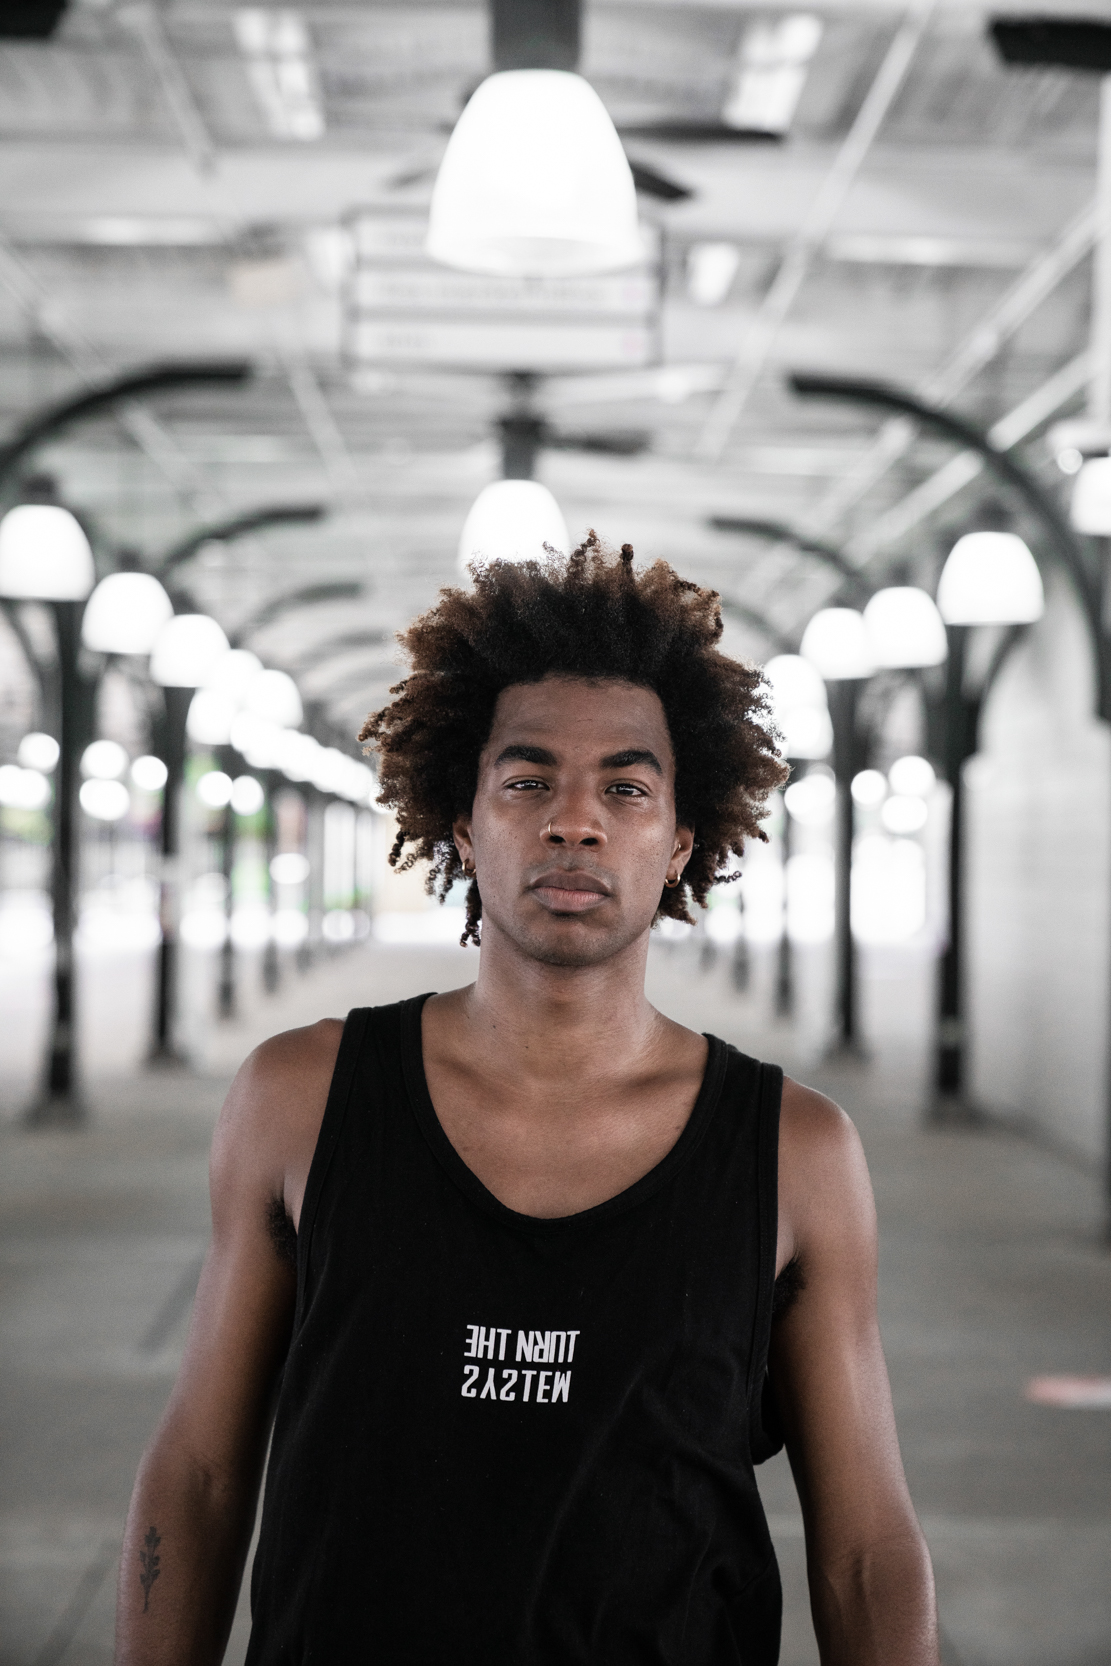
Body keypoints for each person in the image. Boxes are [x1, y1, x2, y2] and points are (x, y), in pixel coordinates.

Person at [116, 538, 938, 1666]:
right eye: (528, 779)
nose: (575, 821)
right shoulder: (298, 1099)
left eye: (626, 788)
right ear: (463, 826)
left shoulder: (794, 1151)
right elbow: (202, 1478)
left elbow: (864, 1550)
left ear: (681, 843)